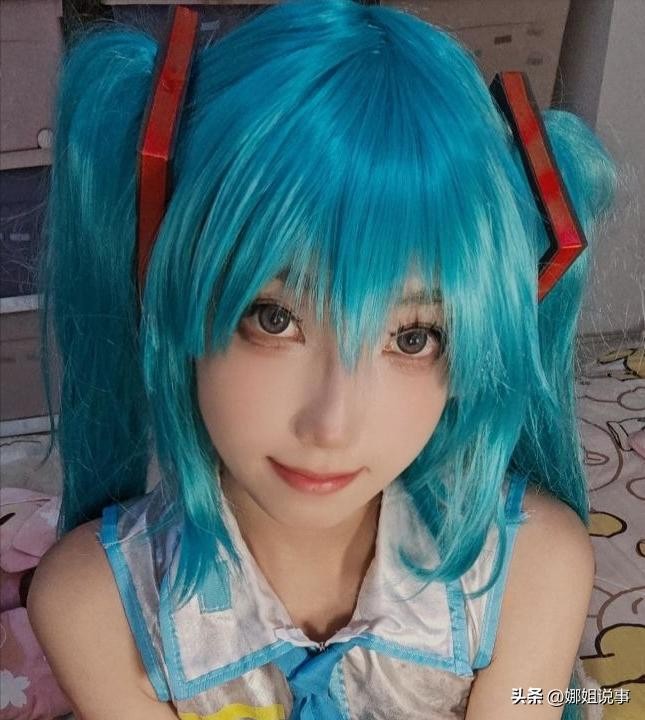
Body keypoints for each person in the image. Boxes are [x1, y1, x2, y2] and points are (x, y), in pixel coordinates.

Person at [26, 1, 617, 718]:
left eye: (412, 337)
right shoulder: (97, 608)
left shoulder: (531, 568)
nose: (332, 425)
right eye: (273, 318)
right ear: (166, 283)